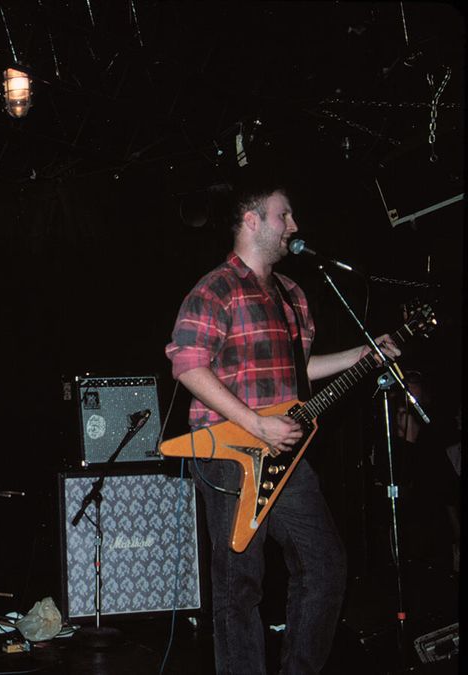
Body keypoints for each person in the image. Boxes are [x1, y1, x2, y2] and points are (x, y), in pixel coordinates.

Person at [165, 180, 400, 674]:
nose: (294, 226)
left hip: (286, 451)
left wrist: (362, 354)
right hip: (230, 455)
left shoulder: (293, 294)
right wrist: (256, 425)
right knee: (239, 583)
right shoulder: (215, 288)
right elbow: (188, 366)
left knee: (327, 567)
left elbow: (300, 369)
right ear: (252, 220)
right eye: (284, 216)